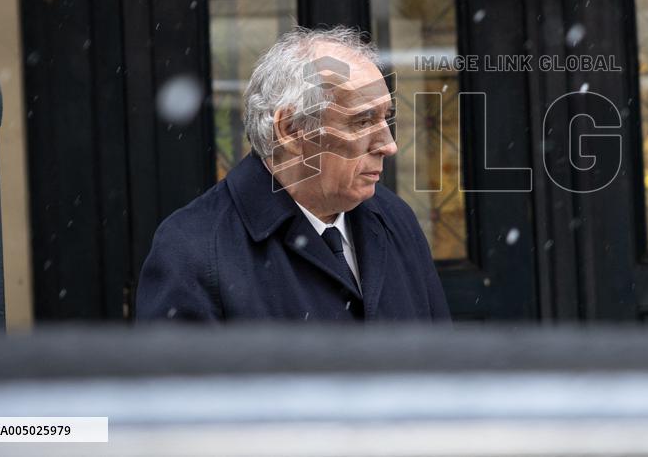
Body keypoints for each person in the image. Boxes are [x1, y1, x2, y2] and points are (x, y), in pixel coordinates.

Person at [136, 26, 451, 321]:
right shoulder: (193, 249)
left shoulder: (395, 218)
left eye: (386, 118)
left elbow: (444, 366)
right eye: (362, 121)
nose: (389, 145)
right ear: (290, 130)